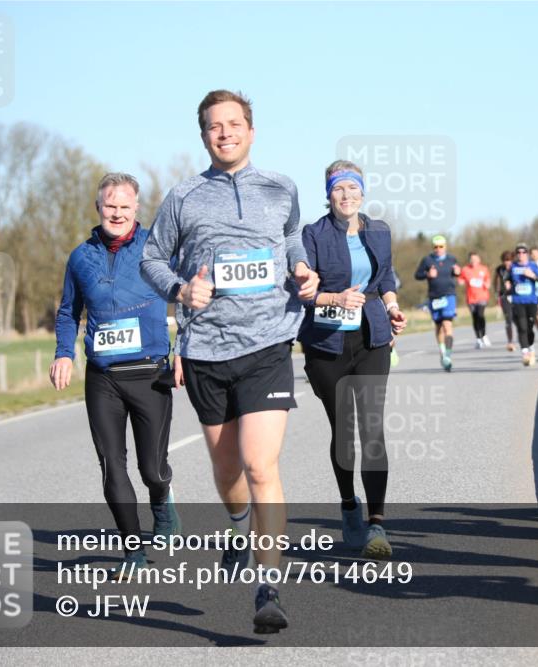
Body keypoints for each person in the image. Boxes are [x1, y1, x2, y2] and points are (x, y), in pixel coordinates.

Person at [141, 89, 320, 632]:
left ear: (251, 130)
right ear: (204, 136)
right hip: (205, 350)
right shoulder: (183, 197)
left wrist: (304, 266)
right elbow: (151, 257)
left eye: (234, 123)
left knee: (261, 464)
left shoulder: (281, 187)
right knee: (227, 470)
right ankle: (239, 527)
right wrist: (179, 290)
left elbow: (291, 237)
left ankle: (269, 588)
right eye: (215, 126)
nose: (225, 133)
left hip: (268, 342)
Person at [51, 172, 180, 575]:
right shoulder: (80, 257)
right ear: (98, 208)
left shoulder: (155, 250)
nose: (117, 213)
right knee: (111, 464)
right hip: (103, 378)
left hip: (151, 374)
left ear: (136, 209)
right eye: (111, 206)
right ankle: (133, 550)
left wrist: (186, 351)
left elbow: (187, 296)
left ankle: (162, 501)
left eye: (125, 206)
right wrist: (64, 354)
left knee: (151, 469)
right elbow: (69, 312)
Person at [299, 160, 407, 560]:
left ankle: (377, 524)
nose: (346, 196)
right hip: (327, 344)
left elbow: (386, 279)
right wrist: (335, 298)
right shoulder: (313, 234)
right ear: (328, 195)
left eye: (352, 188)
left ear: (363, 192)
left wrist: (392, 307)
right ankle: (349, 504)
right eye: (338, 189)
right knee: (344, 431)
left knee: (373, 429)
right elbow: (303, 291)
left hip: (371, 339)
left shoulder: (379, 230)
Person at [414, 235, 461, 371]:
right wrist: (427, 274)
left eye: (441, 246)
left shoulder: (452, 259)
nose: (438, 249)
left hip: (449, 296)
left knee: (447, 325)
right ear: (433, 247)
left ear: (445, 246)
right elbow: (417, 275)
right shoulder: (427, 260)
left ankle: (448, 355)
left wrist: (458, 273)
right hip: (434, 297)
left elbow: (457, 272)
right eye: (436, 247)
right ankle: (442, 351)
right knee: (439, 327)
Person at [507, 242, 538, 365]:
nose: (521, 254)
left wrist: (532, 275)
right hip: (518, 302)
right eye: (518, 252)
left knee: (529, 328)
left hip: (531, 301)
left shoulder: (532, 265)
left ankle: (531, 347)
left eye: (523, 252)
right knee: (522, 327)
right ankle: (525, 353)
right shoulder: (512, 267)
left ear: (527, 254)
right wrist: (507, 284)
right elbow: (506, 279)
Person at [459, 251, 492, 348]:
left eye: (475, 259)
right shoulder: (465, 269)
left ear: (479, 259)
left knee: (480, 315)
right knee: (475, 318)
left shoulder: (484, 269)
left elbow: (488, 280)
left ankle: (484, 335)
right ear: (469, 260)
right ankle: (478, 339)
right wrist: (460, 281)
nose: (473, 261)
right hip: (471, 298)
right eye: (471, 259)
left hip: (482, 296)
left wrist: (487, 284)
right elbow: (460, 279)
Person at [495, 250, 516, 351]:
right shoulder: (499, 269)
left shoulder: (516, 267)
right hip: (504, 296)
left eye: (509, 260)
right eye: (505, 260)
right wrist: (497, 294)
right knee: (508, 319)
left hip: (516, 295)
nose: (507, 262)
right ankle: (510, 342)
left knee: (518, 319)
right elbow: (497, 282)